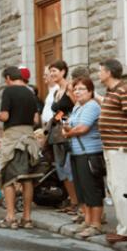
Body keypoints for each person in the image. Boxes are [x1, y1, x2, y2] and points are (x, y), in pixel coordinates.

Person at [0, 66, 41, 229]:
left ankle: (11, 217)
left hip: (13, 139)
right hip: (29, 140)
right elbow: (36, 119)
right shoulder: (30, 92)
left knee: (7, 178)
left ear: (8, 78)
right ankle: (27, 218)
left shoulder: (9, 91)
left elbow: (5, 116)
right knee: (27, 178)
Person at [62, 77, 104, 238]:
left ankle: (96, 224)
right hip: (77, 153)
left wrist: (68, 132)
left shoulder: (92, 106)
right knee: (82, 190)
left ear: (91, 91)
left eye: (81, 89)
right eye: (75, 89)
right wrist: (67, 128)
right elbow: (70, 126)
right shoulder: (78, 107)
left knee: (92, 189)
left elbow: (82, 128)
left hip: (89, 153)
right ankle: (87, 221)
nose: (77, 92)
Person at [97, 59, 127, 244]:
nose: (99, 74)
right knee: (115, 188)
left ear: (109, 73)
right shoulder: (111, 92)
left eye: (100, 70)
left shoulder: (123, 90)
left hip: (120, 148)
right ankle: (123, 227)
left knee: (120, 189)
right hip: (110, 148)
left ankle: (125, 230)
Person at [48, 60, 79, 215]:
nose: (51, 74)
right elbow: (60, 112)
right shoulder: (56, 92)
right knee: (61, 170)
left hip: (69, 133)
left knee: (70, 168)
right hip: (57, 134)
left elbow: (77, 107)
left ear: (63, 71)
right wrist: (55, 120)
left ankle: (79, 203)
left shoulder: (69, 88)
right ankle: (73, 201)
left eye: (54, 70)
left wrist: (69, 122)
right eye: (50, 71)